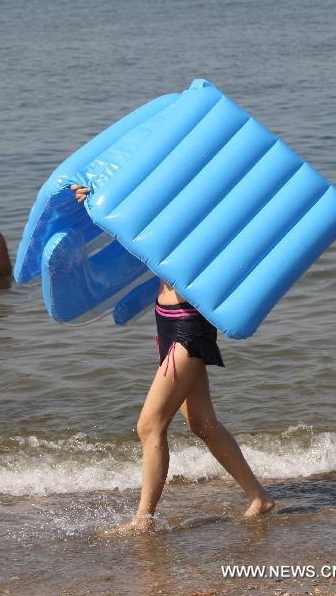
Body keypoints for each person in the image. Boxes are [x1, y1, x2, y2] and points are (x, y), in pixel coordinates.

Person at [71, 184, 275, 533]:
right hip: (167, 324)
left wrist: (99, 207)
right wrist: (93, 203)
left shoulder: (202, 229)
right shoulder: (175, 220)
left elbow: (149, 238)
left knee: (149, 425)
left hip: (188, 329)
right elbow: (136, 232)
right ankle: (259, 498)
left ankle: (143, 520)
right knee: (201, 423)